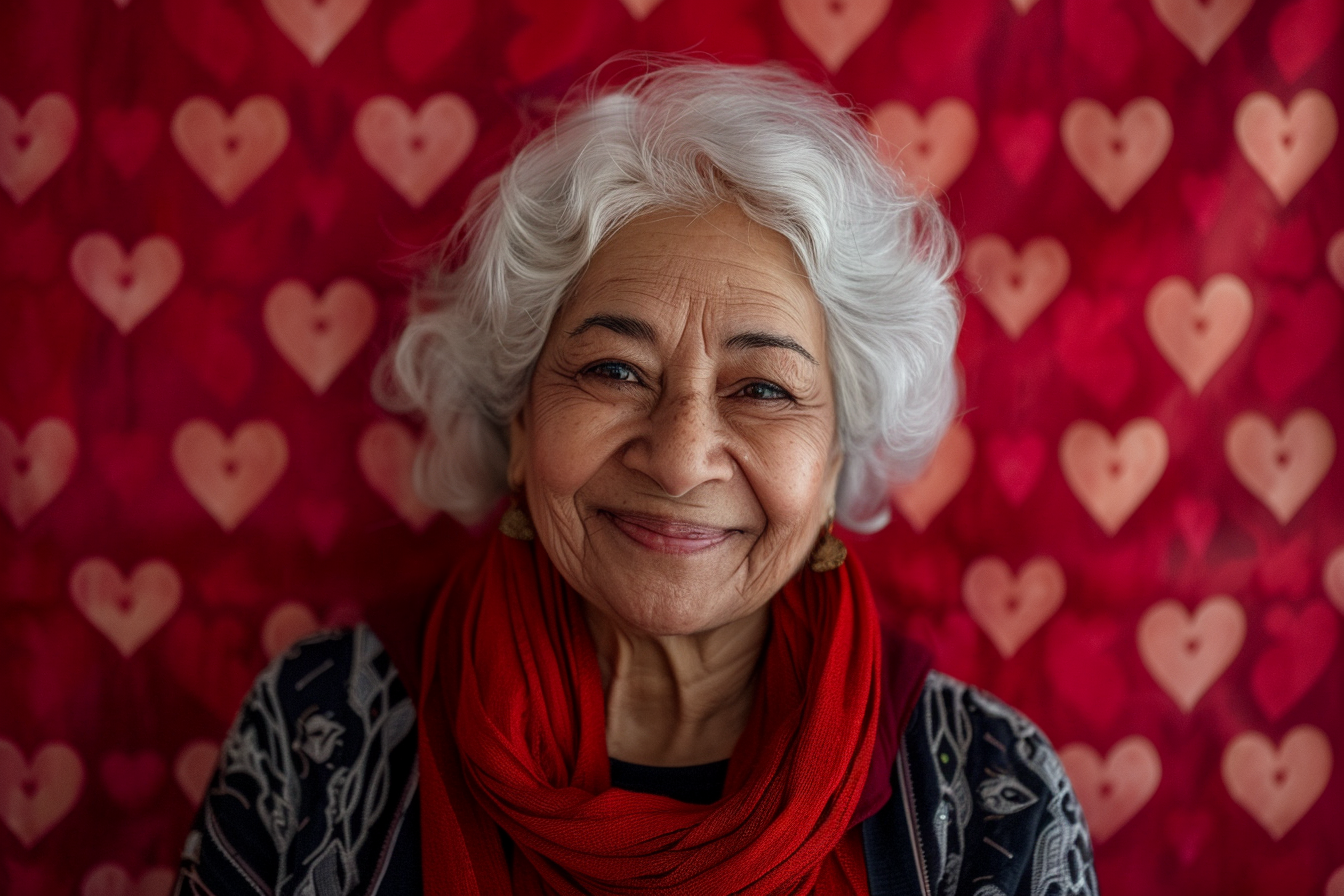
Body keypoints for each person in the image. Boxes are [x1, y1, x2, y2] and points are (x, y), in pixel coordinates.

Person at [173, 61, 1098, 896]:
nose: (681, 453)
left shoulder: (989, 797)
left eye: (765, 388)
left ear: (833, 468)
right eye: (614, 371)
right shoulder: (323, 731)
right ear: (522, 422)